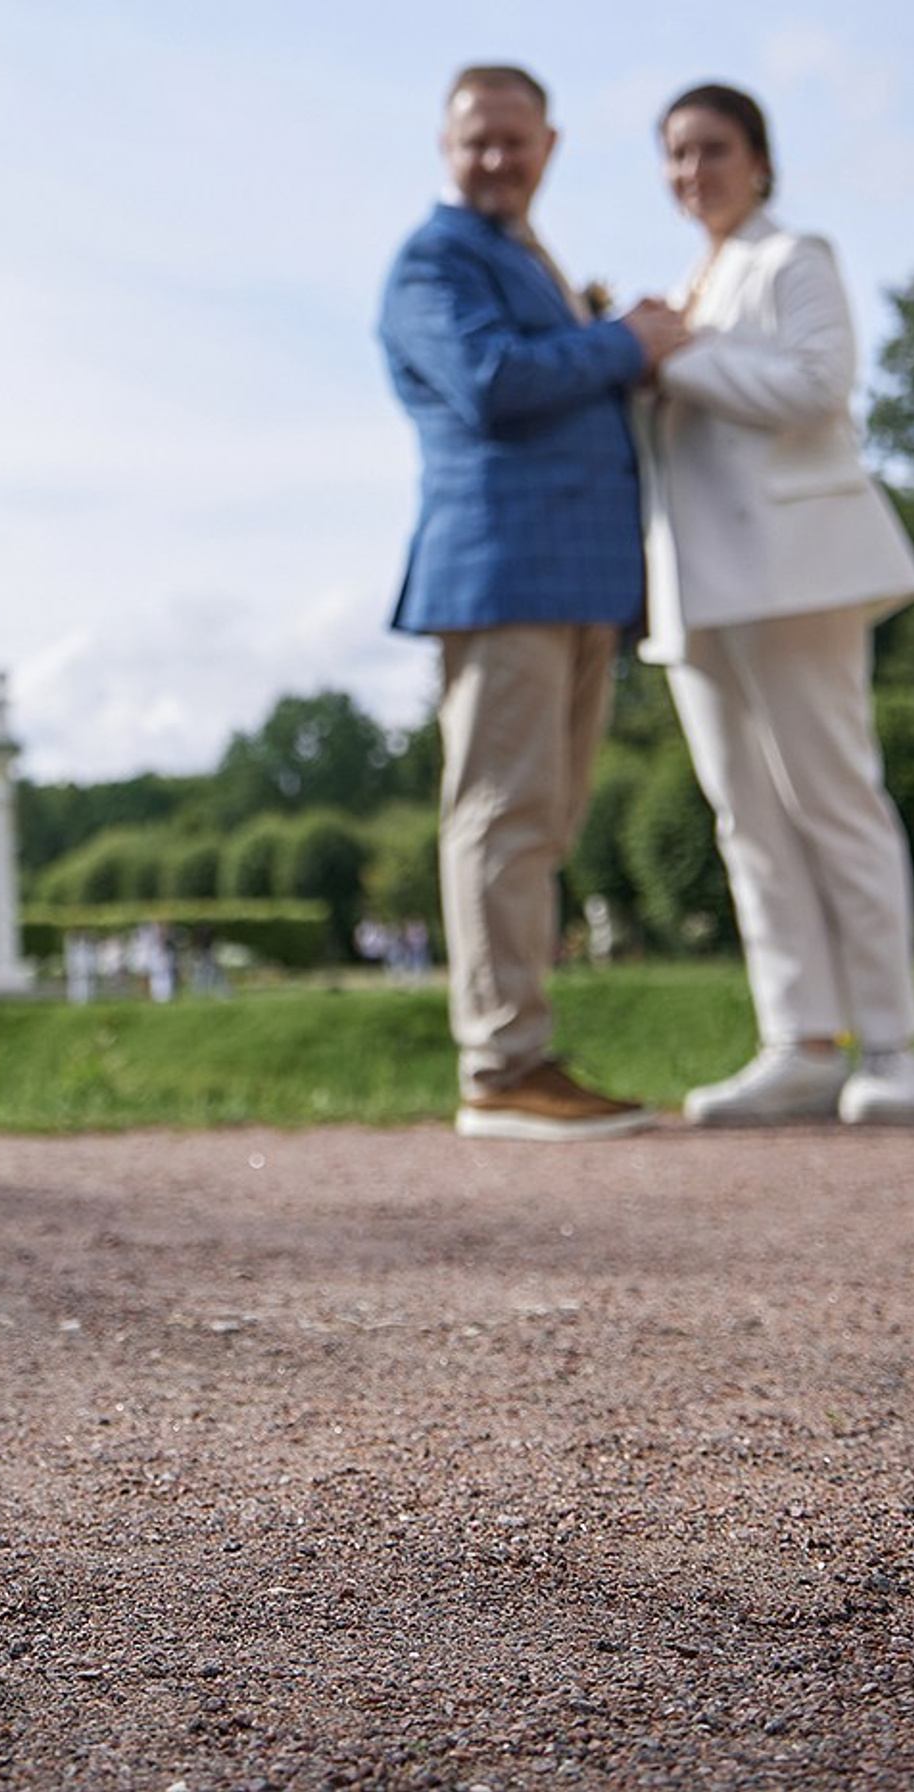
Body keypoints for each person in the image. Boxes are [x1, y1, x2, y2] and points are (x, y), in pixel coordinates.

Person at [380, 64, 689, 1140]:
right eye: (479, 140)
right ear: (446, 145)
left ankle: (524, 1052)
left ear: (549, 145)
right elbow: (492, 382)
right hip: (502, 569)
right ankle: (502, 1063)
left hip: (575, 577)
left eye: (516, 139)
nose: (498, 158)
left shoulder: (520, 258)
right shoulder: (433, 260)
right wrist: (626, 343)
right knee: (502, 816)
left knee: (540, 822)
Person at [639, 83, 914, 1126]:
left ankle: (890, 1042)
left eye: (711, 148)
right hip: (698, 589)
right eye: (675, 155)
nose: (693, 171)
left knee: (834, 800)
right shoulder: (687, 282)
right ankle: (800, 1037)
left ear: (757, 159)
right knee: (746, 821)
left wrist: (678, 356)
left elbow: (816, 386)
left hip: (796, 572)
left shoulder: (791, 256)